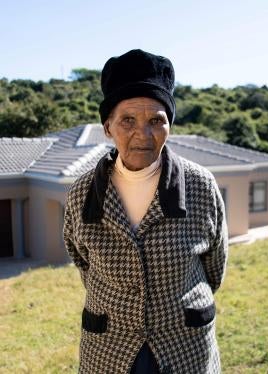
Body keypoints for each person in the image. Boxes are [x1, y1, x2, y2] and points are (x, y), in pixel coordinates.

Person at [63, 49, 228, 374]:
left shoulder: (200, 186)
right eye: (128, 120)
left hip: (184, 344)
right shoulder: (82, 193)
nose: (144, 134)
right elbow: (81, 260)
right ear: (108, 126)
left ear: (170, 125)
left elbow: (214, 267)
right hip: (110, 347)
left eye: (157, 120)